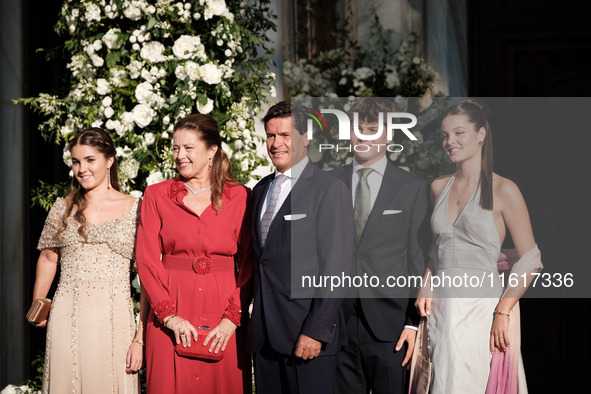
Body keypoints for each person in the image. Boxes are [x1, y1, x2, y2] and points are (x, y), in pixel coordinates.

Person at [415, 99, 543, 393]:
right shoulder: (437, 187)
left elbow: (531, 259)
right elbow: (438, 249)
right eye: (445, 135)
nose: (450, 142)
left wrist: (503, 311)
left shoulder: (504, 190)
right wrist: (426, 283)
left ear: (481, 134)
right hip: (440, 309)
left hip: (482, 310)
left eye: (459, 133)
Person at [135, 114, 253, 393]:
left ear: (212, 151)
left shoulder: (241, 196)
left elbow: (249, 263)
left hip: (223, 313)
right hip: (170, 310)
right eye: (175, 148)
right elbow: (147, 260)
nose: (179, 155)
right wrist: (168, 316)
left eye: (188, 148)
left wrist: (231, 319)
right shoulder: (155, 195)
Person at [247, 101, 355, 394]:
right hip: (266, 338)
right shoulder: (259, 190)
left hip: (307, 338)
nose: (276, 143)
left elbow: (337, 266)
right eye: (270, 135)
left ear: (306, 137)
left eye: (285, 135)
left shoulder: (329, 189)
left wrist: (316, 331)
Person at [30, 127, 143, 393]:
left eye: (90, 160)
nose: (82, 169)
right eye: (76, 161)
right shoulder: (62, 207)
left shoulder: (137, 208)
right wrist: (38, 306)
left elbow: (148, 277)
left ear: (110, 160)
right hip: (65, 319)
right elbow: (48, 258)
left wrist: (141, 338)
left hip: (114, 321)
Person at [331, 98, 430, 393]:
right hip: (338, 324)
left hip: (392, 327)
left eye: (372, 128)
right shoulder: (328, 184)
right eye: (357, 128)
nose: (363, 136)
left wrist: (413, 324)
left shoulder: (413, 189)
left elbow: (417, 258)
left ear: (389, 134)